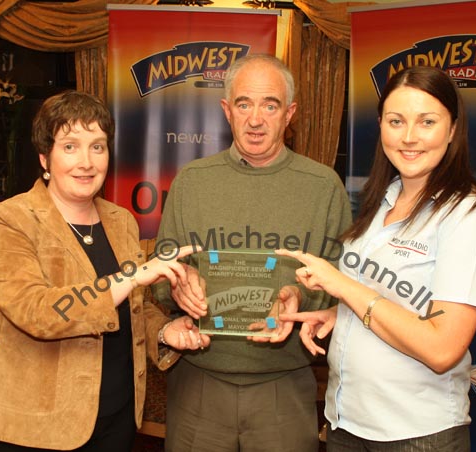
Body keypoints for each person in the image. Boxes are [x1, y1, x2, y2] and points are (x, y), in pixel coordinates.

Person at [276, 66, 476, 451]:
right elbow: (397, 302)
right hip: (346, 423)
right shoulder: (383, 200)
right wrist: (339, 314)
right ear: (381, 126)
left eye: (427, 122)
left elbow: (441, 349)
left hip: (417, 434)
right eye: (396, 121)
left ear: (453, 129)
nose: (408, 137)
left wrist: (343, 287)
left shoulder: (469, 215)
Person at [0, 90, 209, 452]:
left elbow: (133, 305)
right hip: (32, 430)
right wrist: (132, 276)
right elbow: (36, 312)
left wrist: (164, 331)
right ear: (44, 158)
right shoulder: (10, 219)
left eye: (97, 147)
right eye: (70, 146)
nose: (86, 161)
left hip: (115, 420)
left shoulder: (121, 221)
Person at [151, 54, 352, 452]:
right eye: (244, 104)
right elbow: (158, 278)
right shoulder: (191, 182)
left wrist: (302, 299)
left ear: (289, 113)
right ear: (227, 110)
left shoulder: (323, 186)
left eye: (270, 105)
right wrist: (176, 284)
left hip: (284, 385)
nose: (255, 119)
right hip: (199, 383)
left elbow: (344, 287)